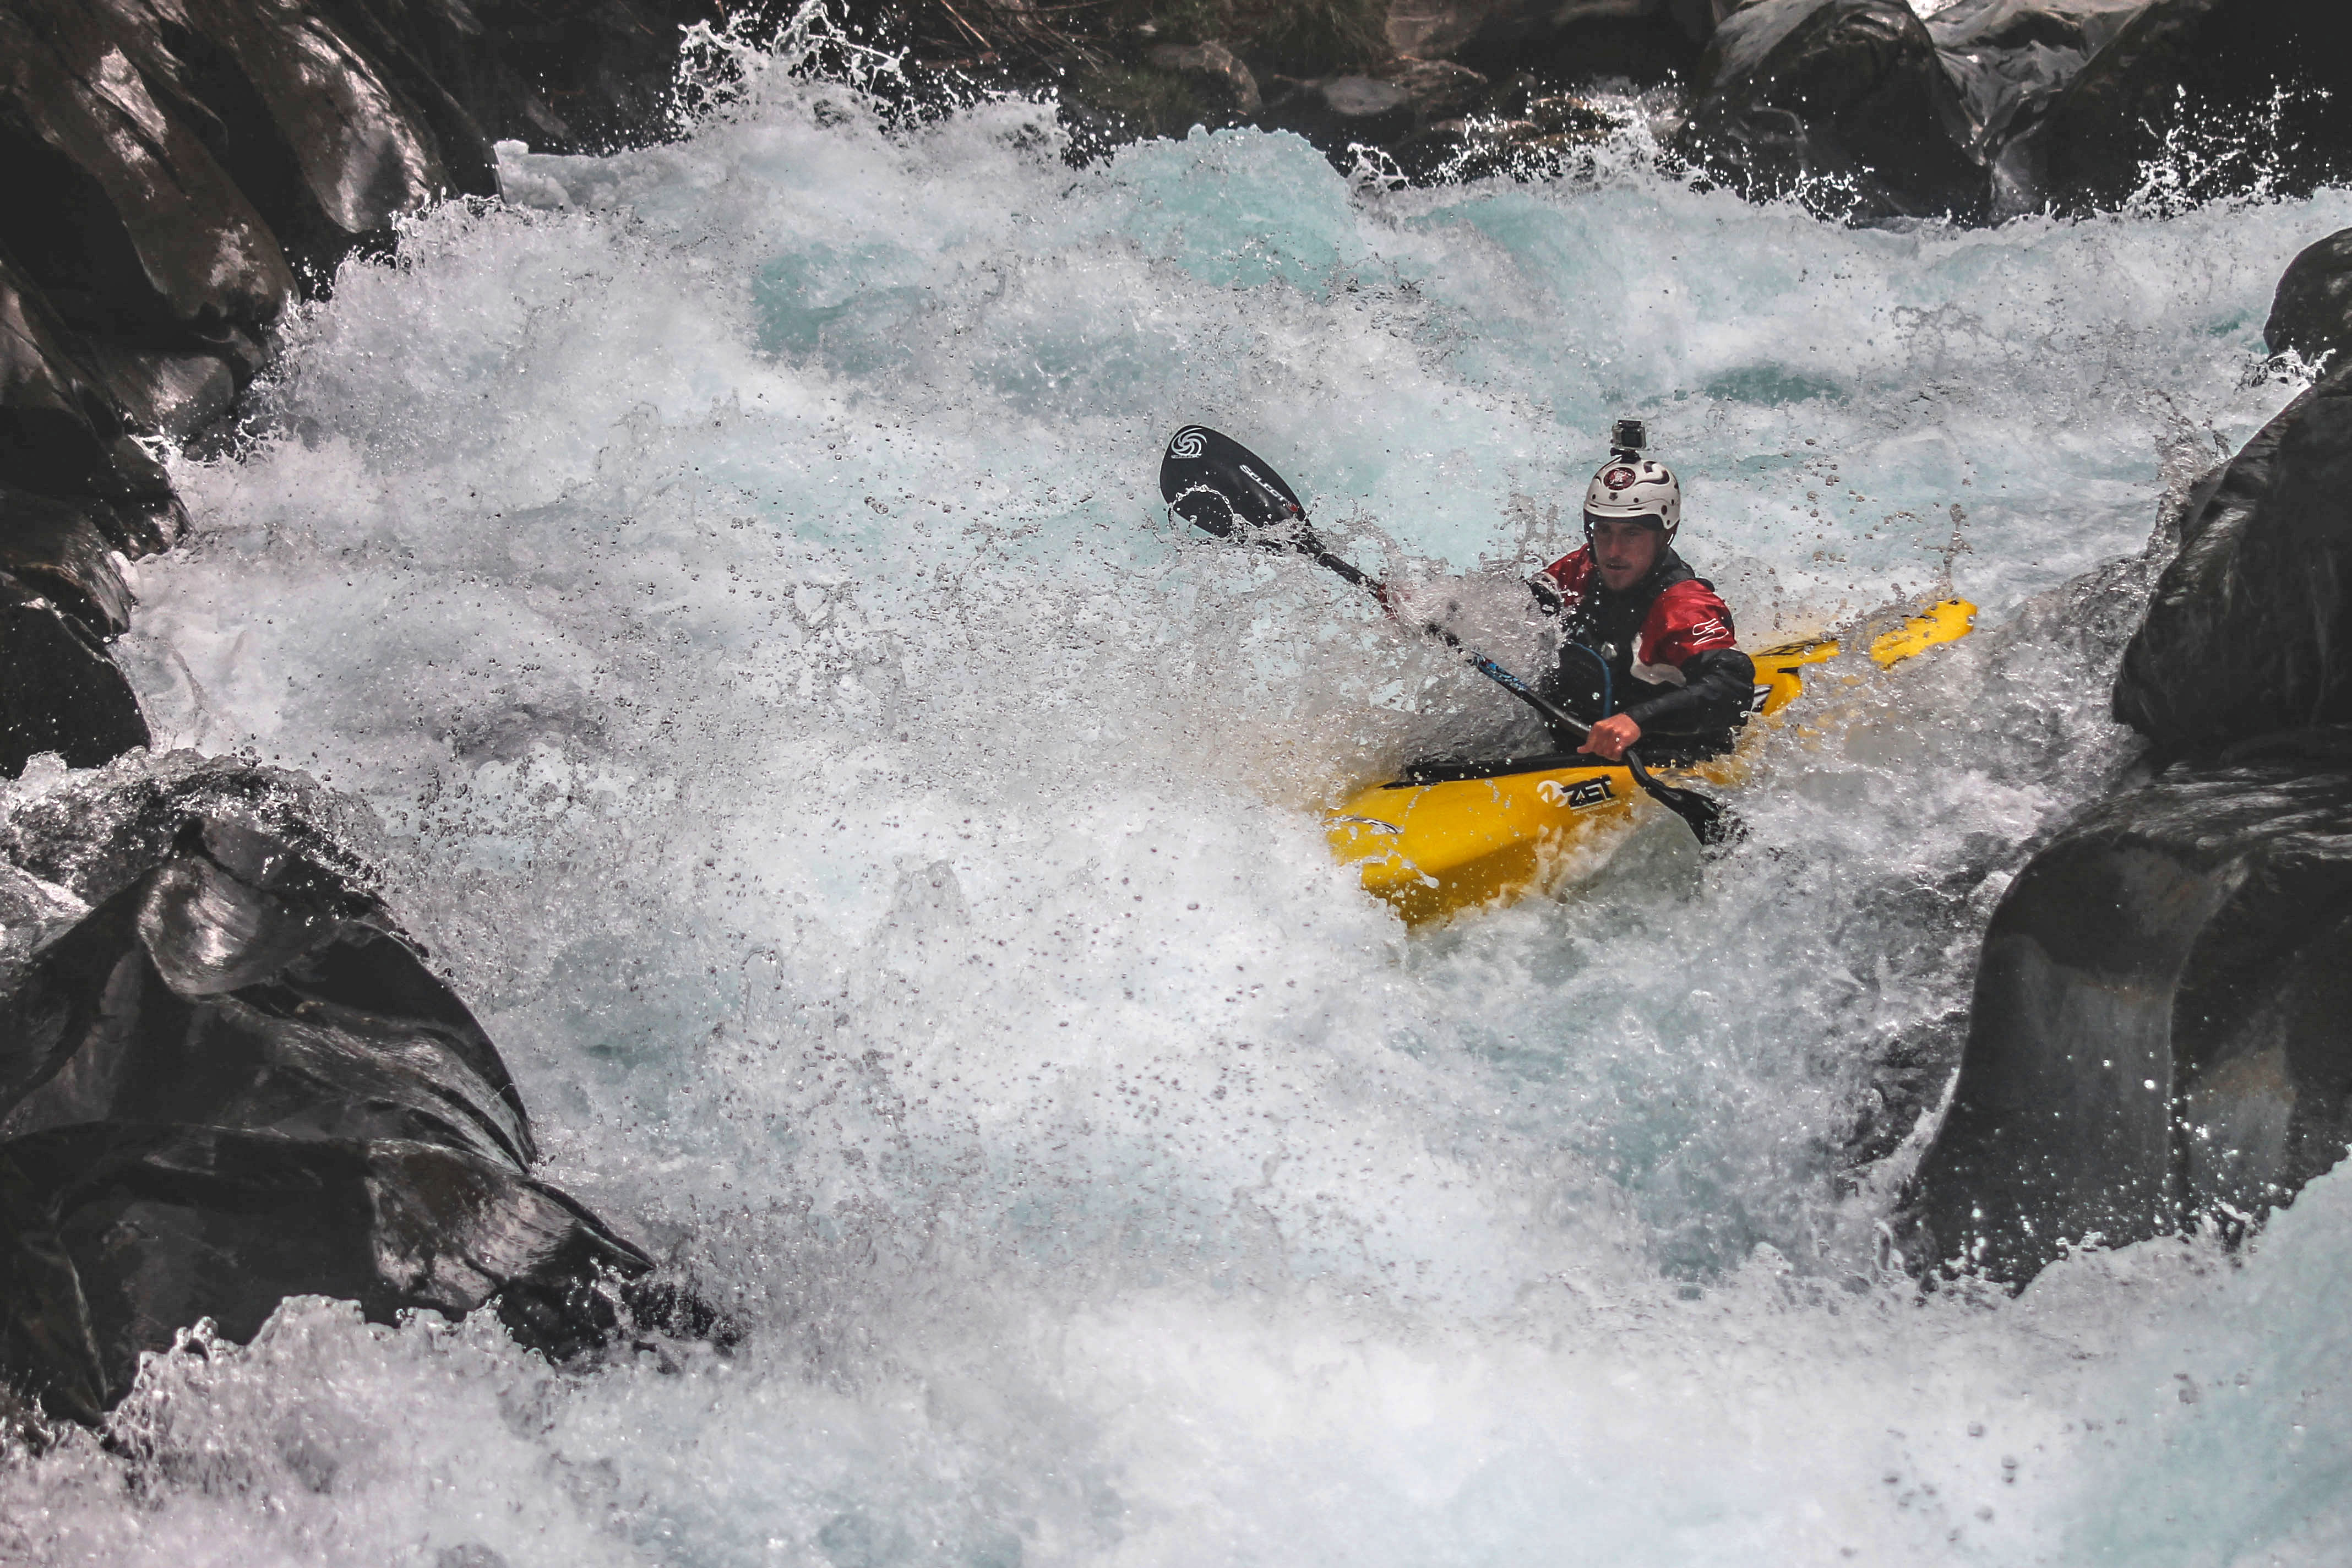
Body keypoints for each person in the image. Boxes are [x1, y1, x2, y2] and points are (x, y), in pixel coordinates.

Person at [1528, 431, 1756, 765]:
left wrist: (1638, 720)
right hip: (1574, 745)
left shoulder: (1682, 606)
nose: (1613, 551)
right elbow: (1512, 610)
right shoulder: (1582, 568)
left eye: (1632, 534)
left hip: (1659, 755)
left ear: (1665, 534)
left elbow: (1734, 687)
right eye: (1603, 531)